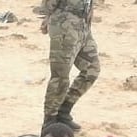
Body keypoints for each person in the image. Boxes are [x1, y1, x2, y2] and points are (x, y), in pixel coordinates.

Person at [40, 0, 99, 130]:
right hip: (64, 24)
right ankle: (50, 120)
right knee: (60, 76)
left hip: (83, 25)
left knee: (92, 69)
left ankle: (63, 111)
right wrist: (47, 16)